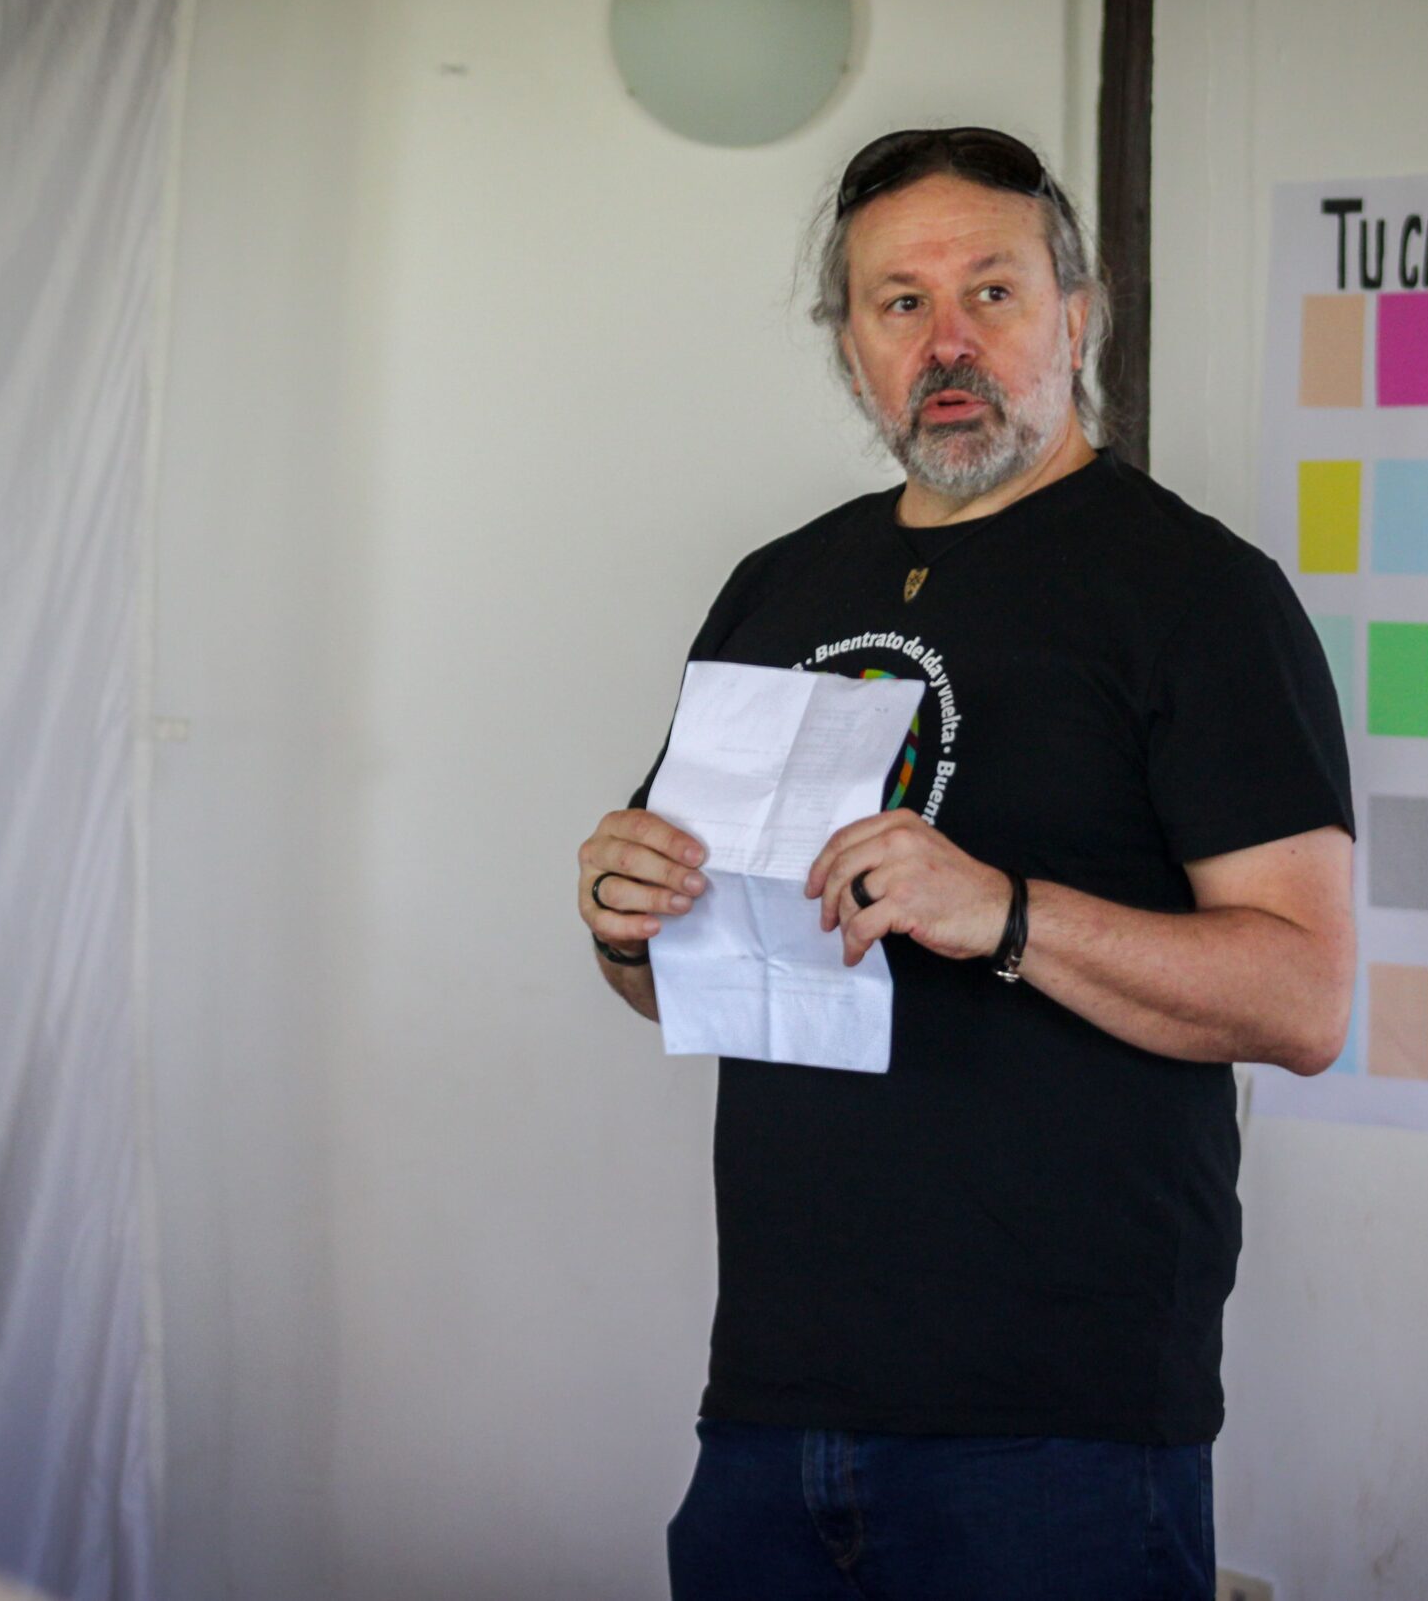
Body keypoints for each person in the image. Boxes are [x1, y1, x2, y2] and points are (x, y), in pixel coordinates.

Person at [574, 126, 1355, 1601]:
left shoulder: (1199, 596)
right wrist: (625, 923)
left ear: (1079, 314)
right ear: (851, 347)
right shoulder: (779, 586)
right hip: (772, 1402)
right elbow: (682, 977)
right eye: (901, 302)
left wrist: (1000, 913)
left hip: (1061, 1427)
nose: (948, 341)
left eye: (992, 292)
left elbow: (1305, 998)